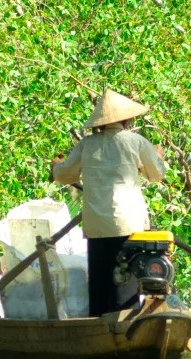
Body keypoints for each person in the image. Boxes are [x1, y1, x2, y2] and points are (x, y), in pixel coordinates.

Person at [51, 90, 168, 315]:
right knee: (125, 282)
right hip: (128, 224)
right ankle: (125, 327)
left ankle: (98, 324)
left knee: (100, 282)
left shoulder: (87, 144)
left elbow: (66, 175)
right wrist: (158, 156)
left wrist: (56, 165)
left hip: (97, 225)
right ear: (126, 120)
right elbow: (156, 175)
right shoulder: (136, 142)